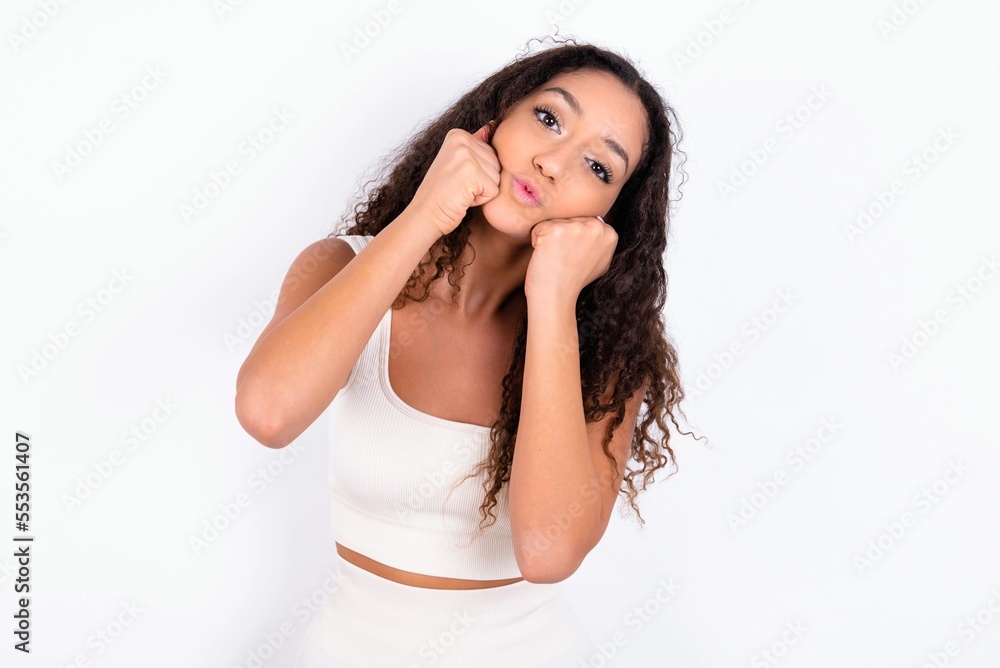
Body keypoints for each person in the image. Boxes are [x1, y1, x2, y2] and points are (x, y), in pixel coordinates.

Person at [235, 35, 695, 668]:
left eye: (599, 167)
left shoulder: (608, 354)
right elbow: (269, 413)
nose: (555, 163)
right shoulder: (340, 268)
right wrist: (427, 212)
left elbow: (547, 552)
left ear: (611, 217)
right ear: (494, 118)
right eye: (549, 118)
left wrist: (555, 299)